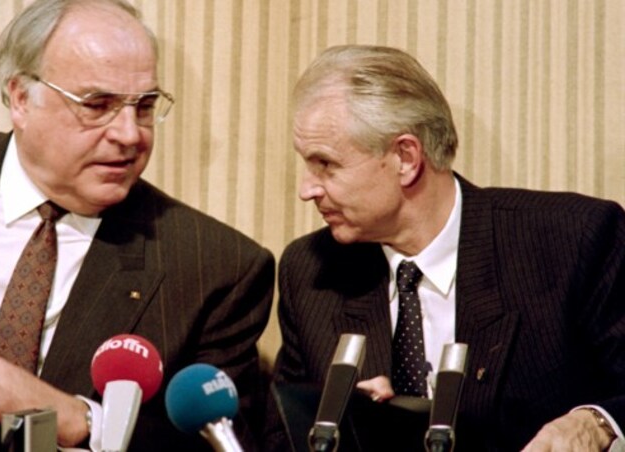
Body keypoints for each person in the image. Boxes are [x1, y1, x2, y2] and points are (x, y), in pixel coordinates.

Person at [0, 0, 274, 450]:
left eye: (144, 105)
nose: (130, 134)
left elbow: (221, 442)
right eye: (97, 105)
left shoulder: (213, 267)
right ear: (21, 98)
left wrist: (82, 419)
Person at [265, 44, 625, 451]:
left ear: (405, 157)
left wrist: (596, 422)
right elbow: (282, 436)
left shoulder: (572, 239)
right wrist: (362, 429)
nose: (306, 189)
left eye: (325, 165)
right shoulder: (311, 271)